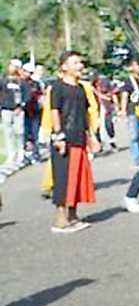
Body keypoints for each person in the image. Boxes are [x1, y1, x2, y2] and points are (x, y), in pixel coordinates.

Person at [45, 50, 99, 233]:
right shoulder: (57, 87)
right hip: (64, 139)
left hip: (79, 137)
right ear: (64, 66)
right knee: (63, 179)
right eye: (75, 63)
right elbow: (54, 111)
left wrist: (91, 136)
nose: (80, 66)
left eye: (80, 63)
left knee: (77, 178)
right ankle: (60, 221)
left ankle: (73, 216)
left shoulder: (82, 88)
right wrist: (58, 136)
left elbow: (84, 114)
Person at [119, 60, 139, 169]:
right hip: (133, 111)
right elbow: (124, 95)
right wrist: (123, 110)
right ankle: (137, 160)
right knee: (134, 136)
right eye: (136, 65)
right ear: (131, 67)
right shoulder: (128, 81)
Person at [2, 60, 25, 167]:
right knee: (8, 133)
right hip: (6, 110)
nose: (12, 68)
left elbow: (27, 94)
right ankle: (11, 154)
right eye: (11, 66)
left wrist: (21, 106)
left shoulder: (21, 82)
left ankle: (21, 153)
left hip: (18, 111)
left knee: (19, 132)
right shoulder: (3, 81)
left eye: (14, 66)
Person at [20, 64, 43, 166]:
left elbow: (40, 95)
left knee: (35, 134)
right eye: (26, 72)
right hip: (23, 112)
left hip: (34, 112)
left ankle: (35, 154)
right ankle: (24, 155)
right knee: (23, 134)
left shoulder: (35, 84)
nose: (28, 74)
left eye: (30, 72)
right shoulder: (19, 83)